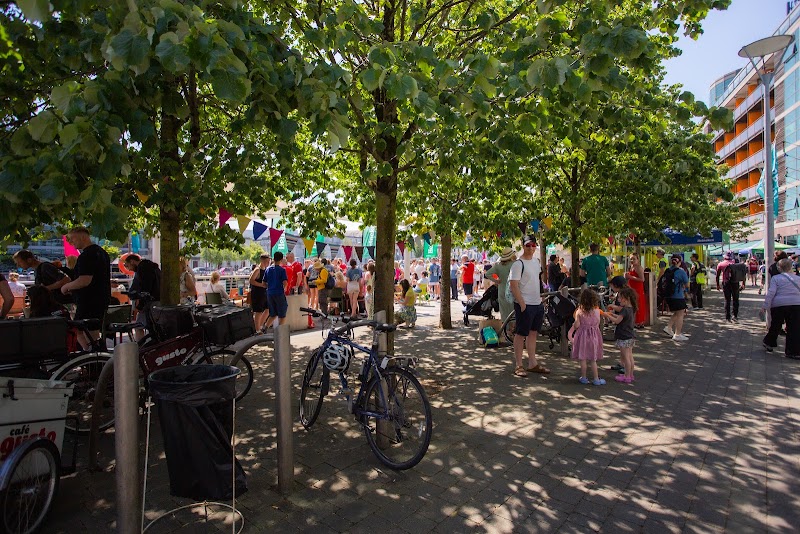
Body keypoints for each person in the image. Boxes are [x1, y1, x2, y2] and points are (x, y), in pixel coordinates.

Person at [60, 227, 110, 348]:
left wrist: (66, 286)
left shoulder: (87, 255)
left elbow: (85, 280)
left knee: (84, 330)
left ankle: (92, 359)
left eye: (72, 239)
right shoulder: (101, 252)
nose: (71, 243)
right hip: (100, 298)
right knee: (88, 332)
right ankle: (92, 357)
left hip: (89, 301)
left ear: (82, 237)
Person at [508, 235, 549, 377]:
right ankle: (519, 365)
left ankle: (532, 363)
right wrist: (522, 303)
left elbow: (538, 280)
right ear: (523, 246)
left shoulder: (536, 262)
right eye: (528, 245)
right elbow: (513, 285)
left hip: (537, 303)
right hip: (525, 304)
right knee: (520, 334)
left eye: (533, 245)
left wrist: (540, 298)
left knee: (533, 333)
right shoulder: (518, 264)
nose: (531, 248)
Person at [762, 258, 800, 359]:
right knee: (794, 328)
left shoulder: (776, 278)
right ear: (790, 267)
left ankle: (769, 342)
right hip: (796, 305)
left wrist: (765, 306)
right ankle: (793, 351)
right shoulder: (798, 278)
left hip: (779, 305)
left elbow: (771, 293)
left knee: (776, 325)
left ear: (779, 268)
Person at [567, 289, 605, 386]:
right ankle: (596, 379)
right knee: (593, 360)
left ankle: (584, 377)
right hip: (594, 337)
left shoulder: (579, 312)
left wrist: (574, 325)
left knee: (583, 359)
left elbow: (576, 325)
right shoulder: (597, 311)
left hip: (582, 337)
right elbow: (598, 322)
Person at [124, 253, 163, 339]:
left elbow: (145, 288)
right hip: (158, 301)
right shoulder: (154, 268)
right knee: (154, 327)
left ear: (132, 261)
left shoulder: (142, 269)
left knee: (139, 326)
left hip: (148, 303)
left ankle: (141, 348)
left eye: (127, 266)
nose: (129, 269)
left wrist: (140, 304)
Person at [605, 286, 638, 384]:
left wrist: (607, 315)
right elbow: (621, 318)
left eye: (620, 298)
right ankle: (630, 374)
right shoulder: (630, 309)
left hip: (624, 336)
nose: (618, 300)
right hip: (630, 335)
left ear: (625, 298)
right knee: (630, 357)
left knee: (626, 358)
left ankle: (626, 376)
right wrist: (612, 314)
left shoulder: (624, 310)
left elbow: (617, 321)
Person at [485, 247, 517, 322]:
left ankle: (505, 329)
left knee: (503, 311)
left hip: (502, 289)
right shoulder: (515, 264)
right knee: (513, 311)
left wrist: (496, 281)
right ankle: (511, 329)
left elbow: (487, 274)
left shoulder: (498, 265)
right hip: (513, 290)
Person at [663, 254, 690, 341]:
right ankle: (677, 334)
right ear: (680, 262)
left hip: (668, 295)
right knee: (680, 314)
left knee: (676, 313)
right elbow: (687, 284)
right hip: (678, 296)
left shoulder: (667, 270)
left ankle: (669, 327)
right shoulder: (681, 271)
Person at [262, 251, 288, 330]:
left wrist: (270, 286)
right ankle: (280, 331)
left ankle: (265, 328)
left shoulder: (268, 269)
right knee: (282, 313)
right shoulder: (282, 270)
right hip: (279, 292)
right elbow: (285, 282)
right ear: (281, 259)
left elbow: (263, 283)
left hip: (270, 293)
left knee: (273, 313)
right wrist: (283, 288)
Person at [715, 251, 743, 323]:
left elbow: (717, 276)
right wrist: (743, 283)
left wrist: (717, 285)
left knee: (727, 300)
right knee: (735, 299)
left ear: (724, 257)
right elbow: (742, 273)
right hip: (735, 283)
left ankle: (728, 318)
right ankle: (735, 316)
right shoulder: (735, 263)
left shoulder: (721, 264)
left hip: (726, 283)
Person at [249, 254, 270, 331]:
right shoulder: (257, 269)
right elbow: (251, 280)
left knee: (268, 309)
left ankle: (260, 326)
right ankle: (257, 330)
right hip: (257, 293)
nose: (268, 263)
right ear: (262, 260)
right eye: (266, 261)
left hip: (264, 293)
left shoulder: (266, 269)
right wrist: (261, 285)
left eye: (268, 261)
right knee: (258, 312)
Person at [625, 253, 646, 327]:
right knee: (633, 304)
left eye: (634, 259)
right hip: (632, 288)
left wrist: (630, 277)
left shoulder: (638, 268)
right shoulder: (631, 267)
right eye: (631, 259)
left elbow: (642, 279)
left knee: (638, 304)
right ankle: (634, 321)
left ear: (638, 259)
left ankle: (639, 322)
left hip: (638, 288)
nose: (632, 260)